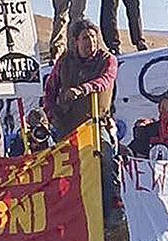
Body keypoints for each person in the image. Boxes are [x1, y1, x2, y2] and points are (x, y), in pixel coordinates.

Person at [43, 20, 119, 220]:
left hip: (96, 123)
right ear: (75, 41)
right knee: (65, 170)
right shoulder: (64, 61)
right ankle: (66, 215)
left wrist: (82, 89)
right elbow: (50, 89)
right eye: (85, 38)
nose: (90, 42)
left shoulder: (107, 59)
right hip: (67, 125)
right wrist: (51, 115)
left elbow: (105, 80)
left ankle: (109, 212)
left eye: (94, 38)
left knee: (105, 160)